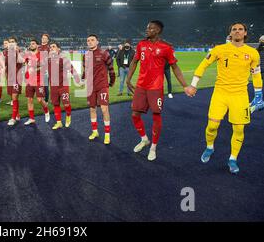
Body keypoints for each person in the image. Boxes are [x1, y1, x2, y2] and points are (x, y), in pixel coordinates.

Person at [189, 23, 263, 174]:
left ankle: (233, 158)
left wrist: (259, 94)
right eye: (234, 29)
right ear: (230, 34)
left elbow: (256, 74)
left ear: (245, 33)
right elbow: (203, 65)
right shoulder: (219, 49)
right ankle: (210, 147)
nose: (237, 31)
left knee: (239, 128)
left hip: (240, 96)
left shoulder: (253, 53)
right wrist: (193, 84)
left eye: (240, 29)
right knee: (212, 126)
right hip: (220, 94)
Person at [126, 20, 192, 161]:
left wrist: (185, 85)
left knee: (156, 116)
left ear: (158, 30)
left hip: (155, 87)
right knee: (134, 114)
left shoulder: (166, 47)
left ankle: (153, 147)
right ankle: (144, 139)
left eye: (150, 28)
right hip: (141, 86)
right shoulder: (141, 44)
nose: (147, 29)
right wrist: (128, 79)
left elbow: (175, 67)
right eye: (147, 27)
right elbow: (134, 62)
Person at [82, 34, 116, 145]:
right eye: (88, 40)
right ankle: (95, 131)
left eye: (92, 40)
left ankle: (107, 134)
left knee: (104, 109)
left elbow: (111, 69)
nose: (90, 42)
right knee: (92, 109)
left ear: (97, 41)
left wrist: (111, 81)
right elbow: (85, 69)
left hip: (102, 85)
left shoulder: (104, 53)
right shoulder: (85, 55)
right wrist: (83, 79)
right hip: (90, 86)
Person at [48, 42, 82, 129]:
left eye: (53, 46)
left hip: (63, 85)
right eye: (50, 47)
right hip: (53, 86)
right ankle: (59, 122)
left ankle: (68, 116)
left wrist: (78, 80)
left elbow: (72, 69)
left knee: (66, 104)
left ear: (58, 49)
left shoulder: (63, 58)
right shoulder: (48, 59)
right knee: (55, 104)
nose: (51, 48)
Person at [23, 39, 50, 125]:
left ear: (37, 45)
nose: (31, 45)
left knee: (39, 99)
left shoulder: (41, 55)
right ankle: (31, 118)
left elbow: (44, 67)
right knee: (29, 99)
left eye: (33, 44)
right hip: (29, 81)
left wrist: (34, 69)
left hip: (39, 80)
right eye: (30, 44)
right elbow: (26, 65)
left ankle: (46, 111)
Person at [6, 37, 23, 126]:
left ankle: (13, 118)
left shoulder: (19, 51)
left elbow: (22, 61)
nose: (11, 43)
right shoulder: (7, 53)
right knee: (13, 97)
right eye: (10, 42)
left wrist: (17, 52)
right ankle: (17, 114)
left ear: (16, 43)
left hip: (17, 77)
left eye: (13, 42)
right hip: (9, 78)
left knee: (14, 96)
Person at [38, 33, 51, 104]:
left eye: (45, 38)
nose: (43, 39)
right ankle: (41, 97)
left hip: (45, 70)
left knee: (46, 85)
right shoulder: (38, 47)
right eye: (43, 37)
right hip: (38, 70)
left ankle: (46, 100)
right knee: (39, 85)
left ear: (48, 40)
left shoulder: (49, 48)